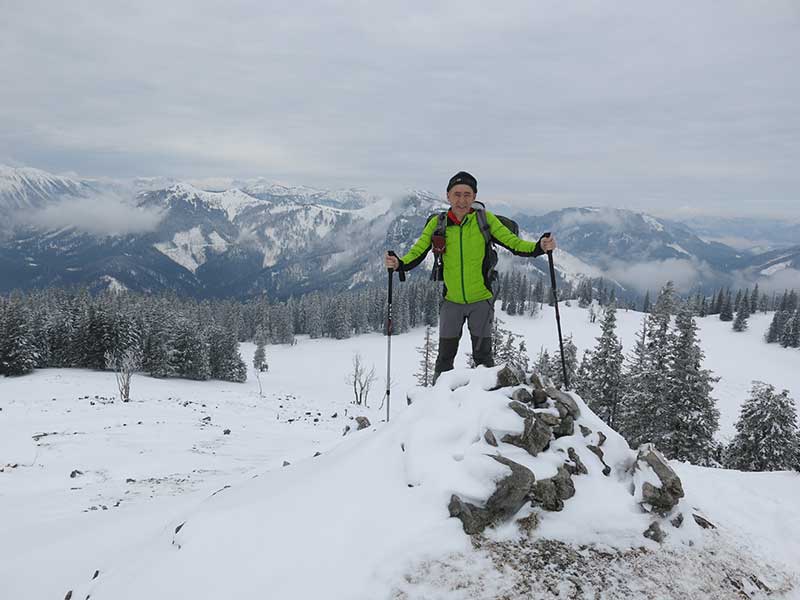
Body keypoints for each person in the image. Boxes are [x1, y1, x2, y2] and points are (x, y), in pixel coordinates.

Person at [385, 171, 557, 382]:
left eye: (467, 194)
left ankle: (486, 406)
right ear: (448, 196)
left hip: (481, 301)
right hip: (451, 302)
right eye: (457, 194)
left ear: (474, 197)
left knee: (483, 358)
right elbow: (417, 252)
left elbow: (515, 244)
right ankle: (437, 403)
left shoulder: (485, 220)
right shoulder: (438, 224)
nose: (462, 200)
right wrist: (399, 263)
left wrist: (539, 246)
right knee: (445, 359)